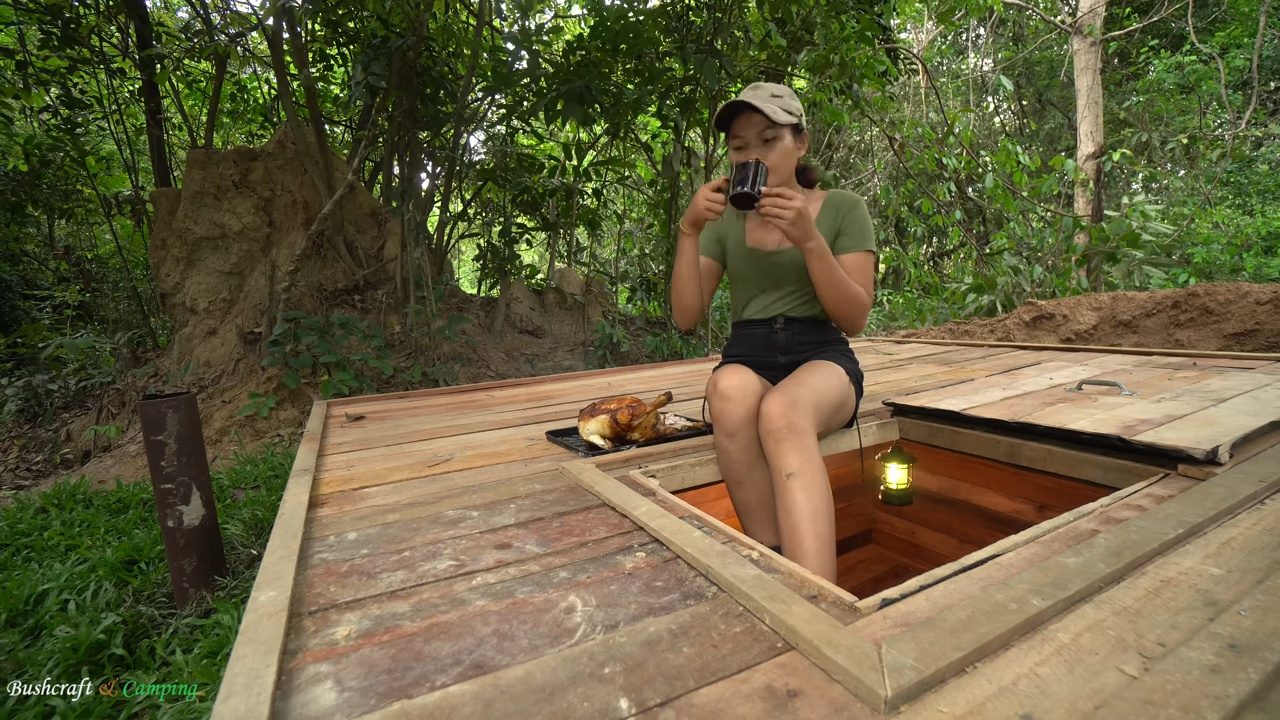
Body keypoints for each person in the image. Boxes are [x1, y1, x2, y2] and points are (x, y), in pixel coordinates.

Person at [670, 82, 877, 583]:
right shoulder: (723, 219)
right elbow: (686, 316)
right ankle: (776, 562)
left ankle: (819, 599)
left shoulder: (844, 208)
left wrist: (809, 240)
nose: (752, 155)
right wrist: (690, 229)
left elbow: (854, 318)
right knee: (729, 390)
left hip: (821, 355)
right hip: (750, 352)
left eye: (768, 140)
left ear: (800, 143)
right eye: (740, 147)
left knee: (783, 412)